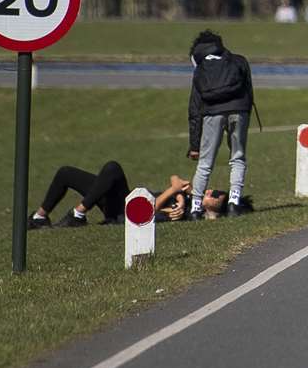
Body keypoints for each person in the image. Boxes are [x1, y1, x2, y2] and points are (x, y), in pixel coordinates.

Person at [188, 30, 256, 218]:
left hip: (212, 113)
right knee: (238, 157)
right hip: (239, 110)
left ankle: (195, 207)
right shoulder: (238, 61)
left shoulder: (201, 67)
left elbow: (195, 108)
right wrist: (245, 116)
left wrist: (194, 144)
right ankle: (234, 202)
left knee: (205, 162)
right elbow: (249, 92)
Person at [28, 167, 216, 227]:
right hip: (123, 201)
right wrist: (181, 192)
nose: (209, 191)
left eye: (214, 195)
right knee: (66, 173)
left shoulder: (186, 214)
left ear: (212, 208)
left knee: (113, 168)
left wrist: (172, 193)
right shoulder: (189, 199)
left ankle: (78, 214)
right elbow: (176, 178)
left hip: (125, 212)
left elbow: (144, 213)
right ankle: (39, 217)